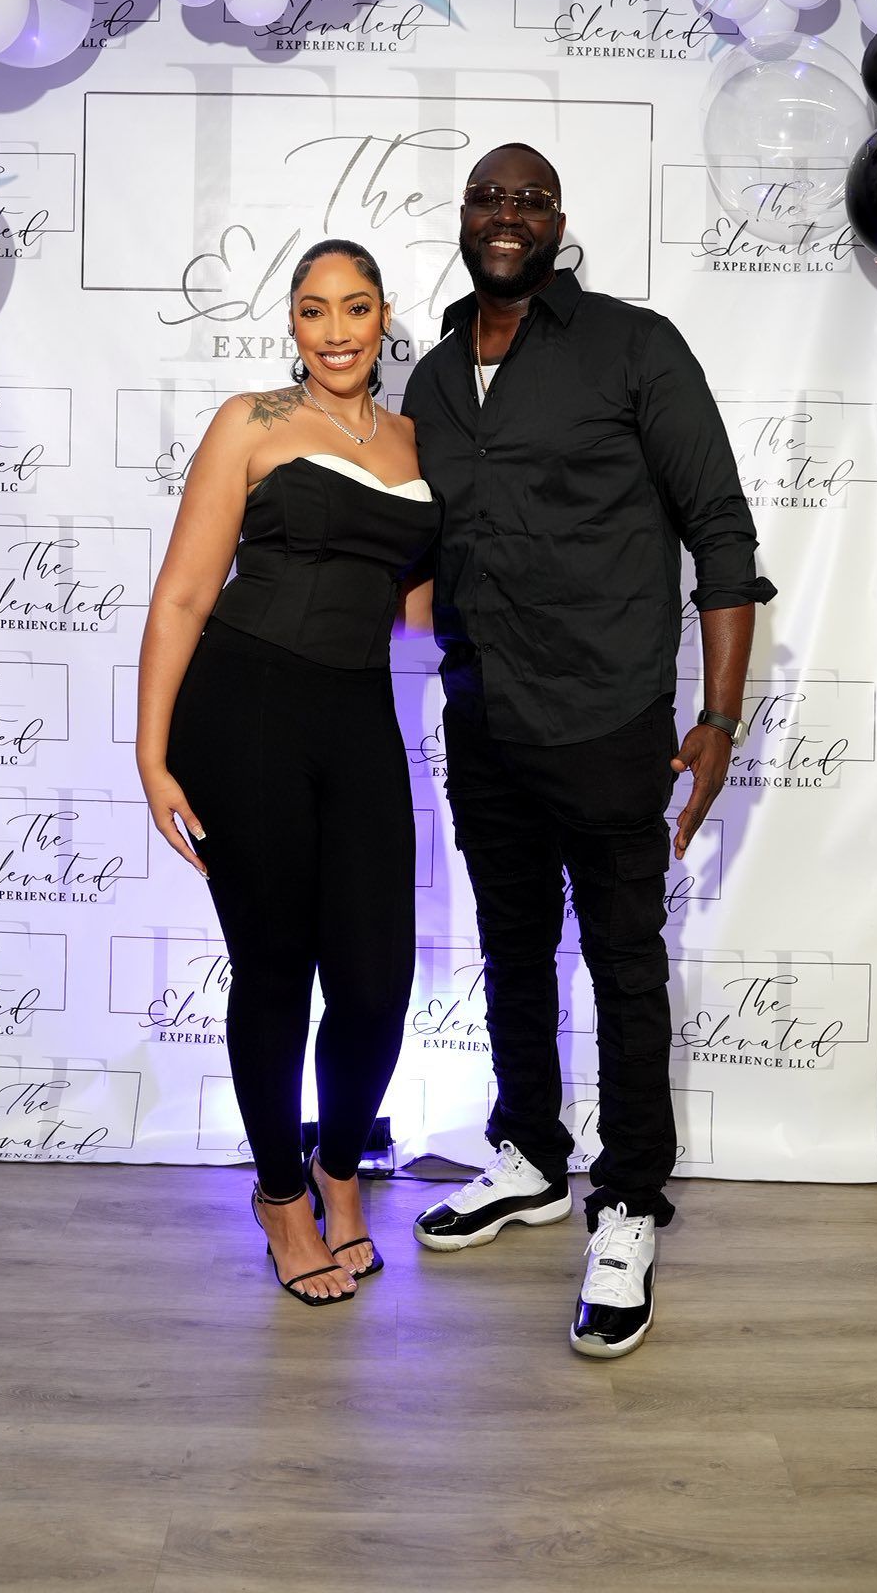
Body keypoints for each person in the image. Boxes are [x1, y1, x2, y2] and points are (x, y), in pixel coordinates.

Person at [402, 144, 775, 1359]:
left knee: (619, 956)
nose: (505, 214)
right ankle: (528, 1153)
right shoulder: (432, 378)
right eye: (485, 197)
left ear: (557, 220)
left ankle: (626, 1200)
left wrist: (716, 719)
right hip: (485, 714)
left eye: (528, 198)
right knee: (512, 945)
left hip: (611, 716)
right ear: (462, 218)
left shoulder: (633, 344)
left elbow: (718, 528)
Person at [136, 239, 439, 1306]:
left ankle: (338, 1166)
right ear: (293, 326)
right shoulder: (251, 421)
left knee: (375, 983)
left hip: (358, 716)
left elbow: (414, 611)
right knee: (274, 971)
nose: (338, 329)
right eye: (315, 311)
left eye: (356, 307)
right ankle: (278, 1196)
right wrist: (151, 752)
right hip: (243, 711)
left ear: (384, 315)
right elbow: (181, 595)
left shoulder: (417, 439)